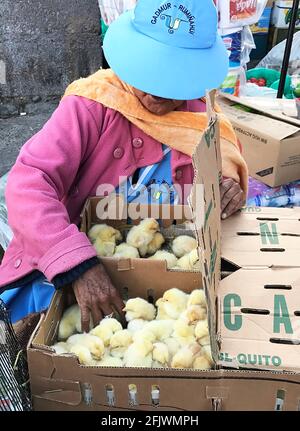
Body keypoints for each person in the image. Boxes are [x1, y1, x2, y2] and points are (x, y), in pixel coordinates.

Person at [0, 0, 248, 331]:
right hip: (64, 268)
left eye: (175, 78)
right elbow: (28, 183)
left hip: (160, 287)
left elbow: (219, 199)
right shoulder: (92, 105)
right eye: (151, 72)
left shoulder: (204, 123)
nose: (159, 92)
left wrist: (228, 194)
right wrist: (78, 265)